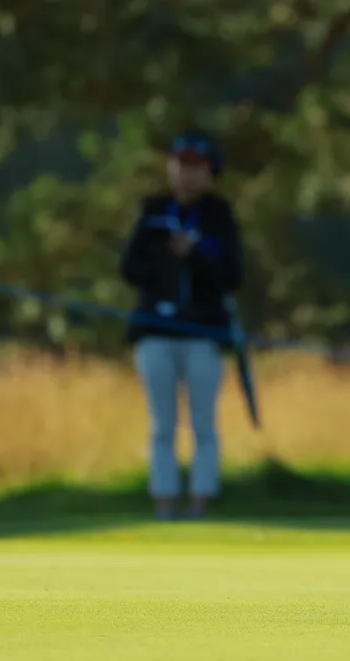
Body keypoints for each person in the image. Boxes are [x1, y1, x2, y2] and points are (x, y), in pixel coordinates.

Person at [120, 131, 243, 521]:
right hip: (156, 331)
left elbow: (232, 274)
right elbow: (130, 268)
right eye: (180, 165)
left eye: (195, 167)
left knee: (203, 423)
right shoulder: (154, 212)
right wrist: (164, 258)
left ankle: (201, 502)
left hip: (203, 333)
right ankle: (164, 501)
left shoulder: (219, 217)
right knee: (162, 424)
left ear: (210, 173)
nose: (186, 174)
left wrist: (195, 256)